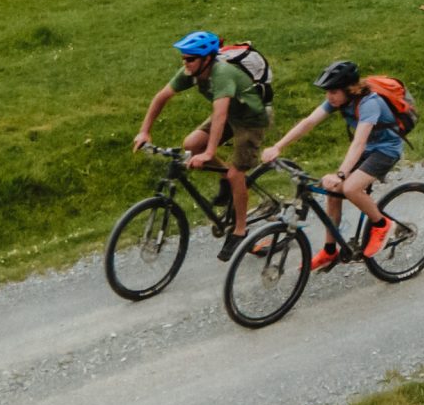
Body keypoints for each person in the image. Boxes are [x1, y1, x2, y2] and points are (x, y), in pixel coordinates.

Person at [132, 30, 269, 257]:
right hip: (232, 114)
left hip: (251, 118)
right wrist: (144, 132)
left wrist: (210, 153)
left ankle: (240, 231)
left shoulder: (222, 73)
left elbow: (220, 115)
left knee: (237, 174)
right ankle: (228, 180)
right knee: (191, 143)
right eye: (183, 58)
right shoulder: (192, 71)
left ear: (206, 59)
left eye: (190, 59)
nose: (185, 63)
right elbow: (161, 96)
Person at [261, 60, 404, 270]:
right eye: (327, 92)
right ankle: (330, 250)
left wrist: (341, 174)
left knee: (350, 188)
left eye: (333, 91)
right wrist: (278, 147)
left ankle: (382, 224)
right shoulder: (340, 100)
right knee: (332, 190)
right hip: (368, 149)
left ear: (349, 89)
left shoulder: (368, 103)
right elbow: (309, 122)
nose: (329, 97)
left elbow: (359, 142)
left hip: (386, 150)